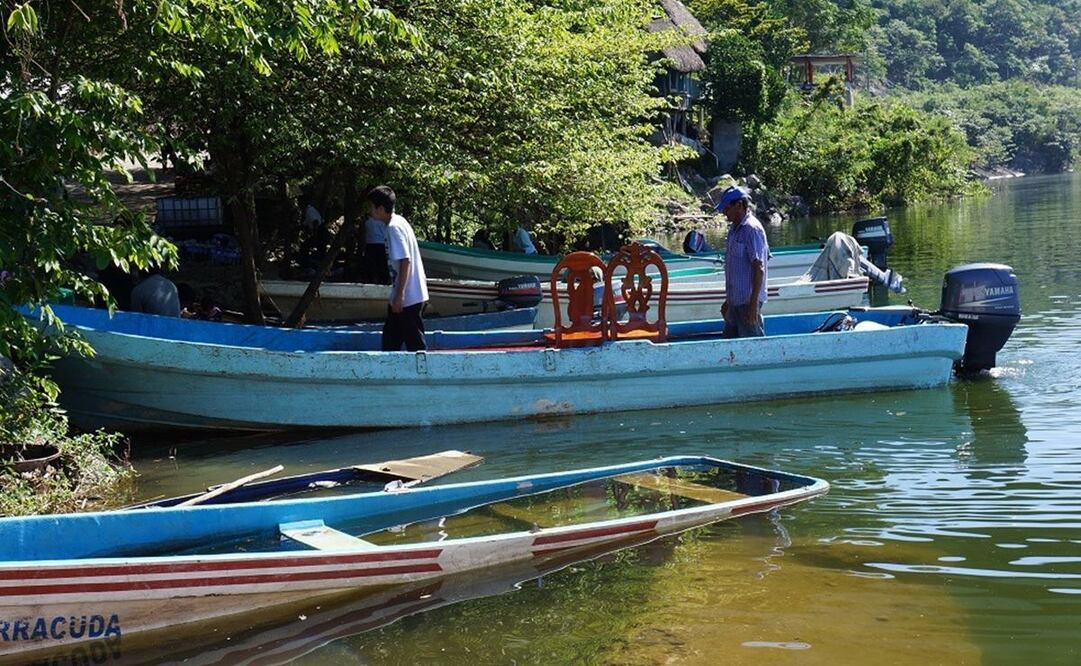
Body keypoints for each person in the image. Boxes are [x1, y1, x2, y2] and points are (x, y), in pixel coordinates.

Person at [369, 185, 429, 351]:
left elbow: (405, 261)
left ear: (380, 208)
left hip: (408, 296)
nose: (370, 210)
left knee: (415, 343)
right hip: (404, 294)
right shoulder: (398, 221)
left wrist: (400, 295)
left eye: (371, 207)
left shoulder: (394, 228)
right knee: (391, 339)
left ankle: (423, 373)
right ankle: (390, 372)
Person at [717, 186, 768, 338]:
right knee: (729, 346)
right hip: (735, 303)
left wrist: (753, 305)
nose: (724, 213)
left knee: (753, 347)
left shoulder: (751, 229)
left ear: (739, 205)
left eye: (727, 208)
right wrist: (728, 301)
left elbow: (759, 269)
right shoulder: (734, 229)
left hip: (748, 302)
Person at [363, 212, 390, 284]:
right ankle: (384, 279)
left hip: (370, 244)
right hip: (381, 243)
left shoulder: (367, 222)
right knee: (382, 263)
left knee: (372, 263)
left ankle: (373, 278)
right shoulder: (382, 222)